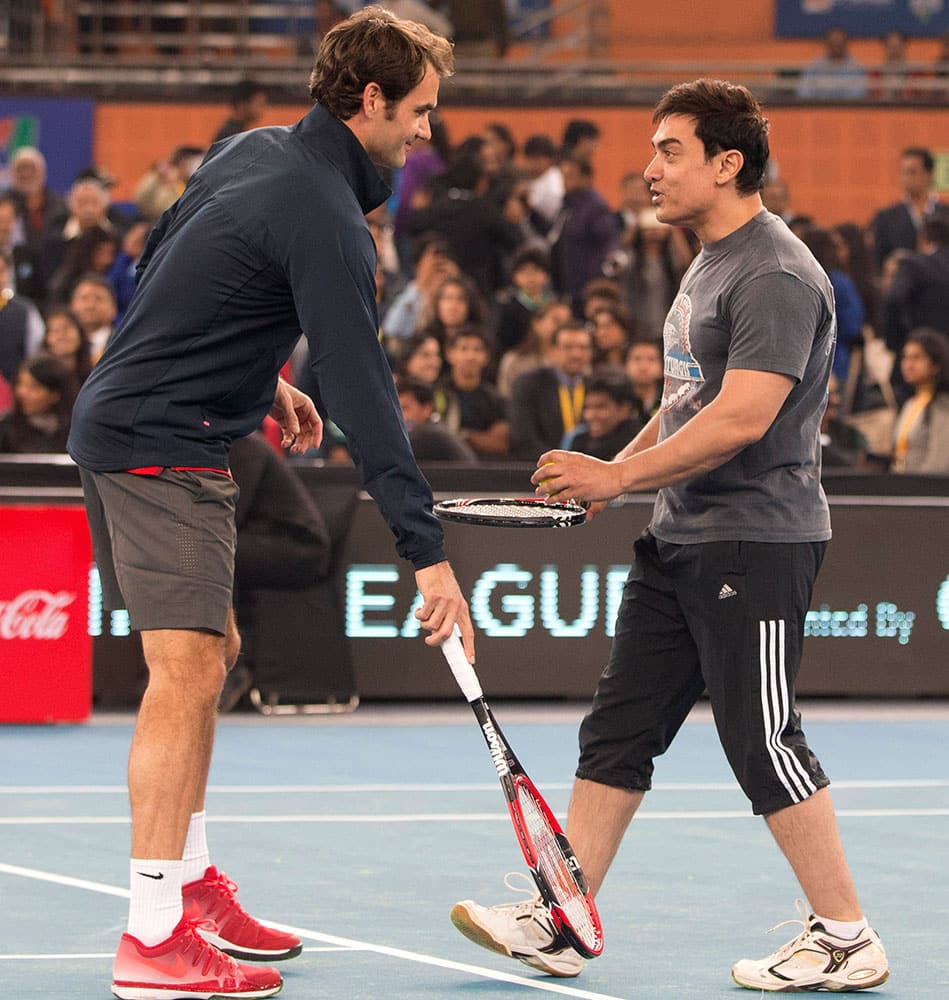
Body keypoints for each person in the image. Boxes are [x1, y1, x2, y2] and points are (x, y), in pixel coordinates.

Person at [66, 8, 473, 999]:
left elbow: (157, 266)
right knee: (186, 668)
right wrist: (426, 551)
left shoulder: (255, 150)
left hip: (177, 423)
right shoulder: (329, 220)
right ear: (370, 101)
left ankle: (191, 881)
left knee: (214, 654)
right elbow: (365, 391)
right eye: (419, 110)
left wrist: (259, 379)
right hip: (161, 443)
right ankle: (153, 934)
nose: (428, 131)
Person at [451, 78, 889, 993]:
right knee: (617, 731)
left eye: (669, 152)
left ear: (728, 164)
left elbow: (741, 418)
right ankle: (564, 921)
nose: (647, 170)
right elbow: (682, 403)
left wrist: (615, 477)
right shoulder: (705, 261)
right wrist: (617, 478)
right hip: (681, 533)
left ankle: (846, 936)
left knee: (761, 739)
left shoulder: (772, 271)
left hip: (753, 542)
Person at [509, 318, 593, 460]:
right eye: (568, 347)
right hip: (539, 470)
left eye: (583, 348)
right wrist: (557, 463)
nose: (577, 355)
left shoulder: (596, 386)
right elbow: (523, 438)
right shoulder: (529, 384)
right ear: (553, 350)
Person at [871, 146, 949, 269]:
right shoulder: (887, 217)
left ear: (928, 174)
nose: (906, 178)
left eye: (912, 172)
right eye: (903, 172)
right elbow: (878, 261)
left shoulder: (945, 214)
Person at [440, 325, 509, 457]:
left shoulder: (495, 399)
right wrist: (478, 438)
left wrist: (464, 436)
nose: (470, 356)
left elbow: (500, 443)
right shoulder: (436, 392)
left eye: (477, 350)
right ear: (450, 354)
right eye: (463, 348)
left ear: (486, 356)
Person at [889, 327, 949, 474]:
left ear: (935, 365)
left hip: (923, 490)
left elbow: (938, 460)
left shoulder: (942, 407)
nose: (908, 364)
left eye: (916, 358)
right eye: (905, 357)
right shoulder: (910, 404)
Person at [496, 299, 571, 399]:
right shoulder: (515, 360)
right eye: (556, 321)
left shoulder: (576, 358)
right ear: (536, 323)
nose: (561, 327)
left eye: (567, 323)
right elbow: (505, 396)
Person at [562, 369, 645, 460]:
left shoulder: (641, 443)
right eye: (587, 407)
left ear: (624, 409)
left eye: (600, 407)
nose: (590, 415)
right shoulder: (578, 440)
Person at [0, 355, 72, 453]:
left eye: (34, 387)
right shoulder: (6, 426)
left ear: (55, 395)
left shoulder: (74, 429)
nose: (22, 393)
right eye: (20, 384)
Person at [397, 373, 477, 461]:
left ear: (427, 409)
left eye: (405, 408)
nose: (399, 415)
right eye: (397, 408)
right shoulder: (434, 428)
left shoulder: (426, 434)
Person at [795, 26, 868, 101]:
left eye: (839, 44)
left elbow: (858, 95)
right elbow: (804, 93)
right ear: (827, 43)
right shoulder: (813, 67)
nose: (836, 47)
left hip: (847, 111)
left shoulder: (856, 68)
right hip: (818, 110)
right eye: (833, 43)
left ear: (845, 44)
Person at [211, 79, 268, 143]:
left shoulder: (234, 131)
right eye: (259, 104)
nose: (262, 109)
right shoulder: (231, 135)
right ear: (242, 105)